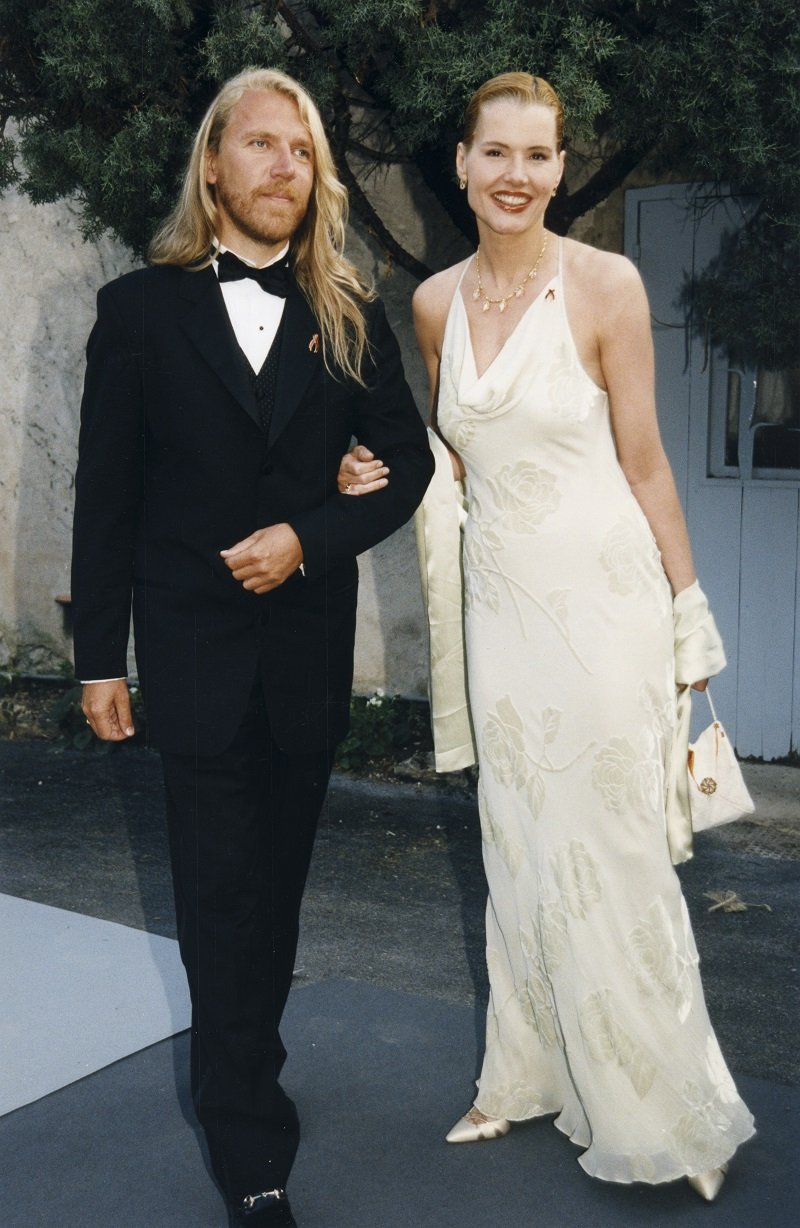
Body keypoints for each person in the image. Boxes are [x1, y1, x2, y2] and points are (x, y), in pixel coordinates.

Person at [338, 72, 754, 1202]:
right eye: (495, 154)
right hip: (503, 618)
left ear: (559, 170)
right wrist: (368, 472)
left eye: (537, 156)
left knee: (614, 859)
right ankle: (517, 1077)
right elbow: (455, 467)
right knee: (515, 852)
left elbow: (646, 462)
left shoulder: (605, 284)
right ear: (461, 164)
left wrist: (686, 609)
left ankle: (675, 1109)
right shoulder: (431, 305)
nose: (515, 175)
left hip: (604, 607)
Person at [71, 67, 433, 1227]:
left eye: (303, 149)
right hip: (189, 657)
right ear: (214, 165)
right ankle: (250, 1148)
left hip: (302, 662)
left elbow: (407, 464)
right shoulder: (135, 311)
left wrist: (314, 535)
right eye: (263, 145)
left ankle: (247, 1066)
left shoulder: (346, 310)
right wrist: (98, 657)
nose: (287, 165)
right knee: (218, 900)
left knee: (269, 902)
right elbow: (107, 498)